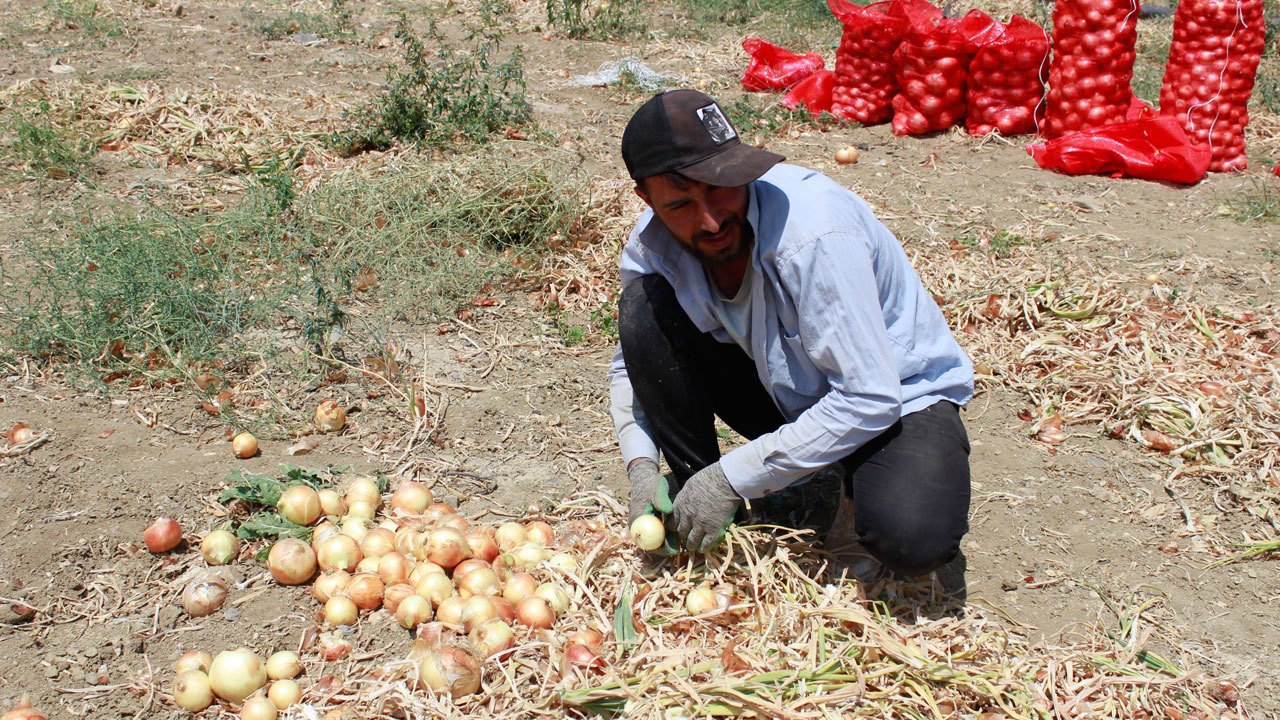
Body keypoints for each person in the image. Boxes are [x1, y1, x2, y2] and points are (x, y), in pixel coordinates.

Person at [607, 89, 975, 586]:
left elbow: (868, 396)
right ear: (646, 200)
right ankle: (703, 498)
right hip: (786, 387)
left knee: (911, 539)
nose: (711, 220)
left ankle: (782, 485)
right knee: (642, 308)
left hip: (898, 398)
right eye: (681, 205)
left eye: (719, 188)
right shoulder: (654, 245)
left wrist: (732, 477)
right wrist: (640, 464)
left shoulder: (814, 234)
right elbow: (633, 361)